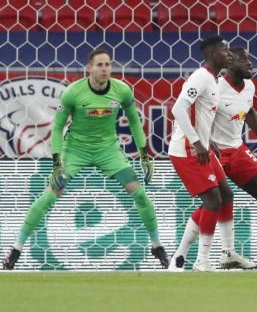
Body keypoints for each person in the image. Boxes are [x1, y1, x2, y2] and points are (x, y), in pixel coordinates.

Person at [3, 48, 168, 270]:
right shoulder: (73, 92)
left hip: (108, 150)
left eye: (108, 64)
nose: (105, 69)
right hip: (75, 150)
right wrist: (57, 163)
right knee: (49, 196)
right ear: (89, 68)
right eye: (100, 65)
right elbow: (58, 126)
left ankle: (157, 246)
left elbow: (135, 121)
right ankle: (15, 248)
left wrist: (144, 155)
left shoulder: (122, 91)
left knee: (139, 193)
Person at [169, 47, 257, 272]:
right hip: (213, 152)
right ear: (229, 63)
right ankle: (181, 255)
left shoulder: (250, 85)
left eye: (250, 58)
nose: (250, 63)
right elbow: (190, 111)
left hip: (237, 151)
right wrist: (203, 140)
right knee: (214, 202)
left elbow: (248, 111)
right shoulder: (213, 84)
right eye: (243, 59)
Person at [167, 36, 234, 272]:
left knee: (225, 195)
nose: (228, 53)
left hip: (202, 146)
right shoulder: (200, 77)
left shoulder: (214, 80)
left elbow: (200, 115)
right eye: (224, 50)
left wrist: (208, 140)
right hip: (186, 149)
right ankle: (202, 260)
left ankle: (179, 257)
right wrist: (196, 142)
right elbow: (178, 109)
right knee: (213, 200)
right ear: (210, 53)